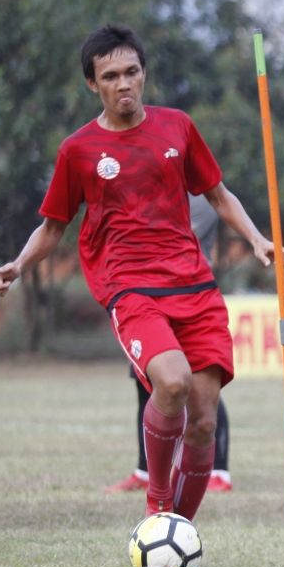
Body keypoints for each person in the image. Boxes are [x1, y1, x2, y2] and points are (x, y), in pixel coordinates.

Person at [0, 25, 284, 519]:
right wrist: (19, 265)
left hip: (195, 283)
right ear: (93, 84)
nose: (124, 83)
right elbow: (53, 227)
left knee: (204, 423)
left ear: (144, 74)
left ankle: (178, 534)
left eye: (132, 72)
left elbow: (218, 194)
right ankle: (157, 505)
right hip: (130, 288)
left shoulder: (178, 127)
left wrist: (257, 239)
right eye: (111, 76)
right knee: (171, 383)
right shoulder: (78, 150)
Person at [106, 194, 233, 494]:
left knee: (200, 387)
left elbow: (165, 236)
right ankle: (145, 470)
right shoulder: (151, 188)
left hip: (187, 298)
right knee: (145, 384)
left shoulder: (197, 199)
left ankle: (219, 470)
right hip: (145, 298)